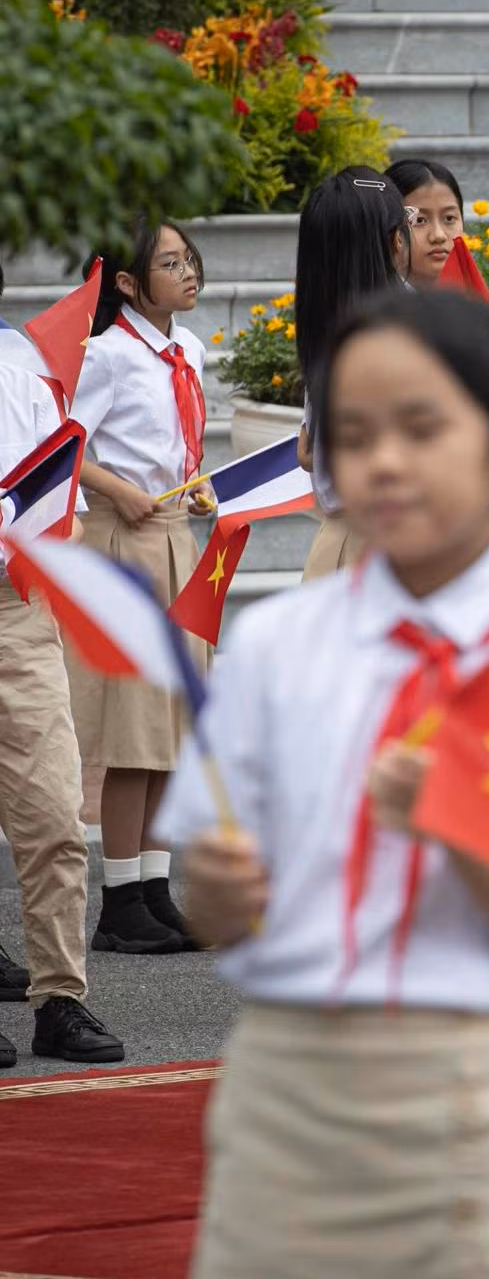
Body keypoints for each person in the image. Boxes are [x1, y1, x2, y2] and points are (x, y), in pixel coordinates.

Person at [163, 290, 489, 1276]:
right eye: (352, 436)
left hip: (475, 1096)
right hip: (285, 1092)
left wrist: (455, 824)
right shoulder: (277, 644)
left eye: (422, 427)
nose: (384, 462)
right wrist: (217, 896)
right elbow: (211, 901)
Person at [69, 218, 215, 955]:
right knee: (133, 730)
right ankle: (119, 895)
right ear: (126, 283)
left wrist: (194, 492)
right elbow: (60, 447)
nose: (188, 271)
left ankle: (154, 887)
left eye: (189, 258)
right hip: (122, 542)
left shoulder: (186, 349)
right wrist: (116, 490)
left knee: (171, 724)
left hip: (173, 540)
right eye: (168, 262)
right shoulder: (108, 356)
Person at [0, 278, 125, 1065]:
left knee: (52, 816)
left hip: (18, 608)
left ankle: (61, 999)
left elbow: (60, 490)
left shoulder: (24, 362)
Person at [294, 166, 410, 579]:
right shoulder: (416, 324)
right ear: (397, 241)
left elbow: (308, 453)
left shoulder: (324, 322)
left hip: (339, 545)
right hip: (404, 548)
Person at [384, 158, 466, 289]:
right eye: (419, 220)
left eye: (449, 218)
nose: (439, 236)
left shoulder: (476, 298)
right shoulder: (371, 305)